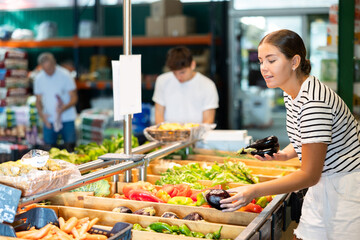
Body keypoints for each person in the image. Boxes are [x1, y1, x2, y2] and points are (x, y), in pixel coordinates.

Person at [220, 29, 360, 240]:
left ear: (294, 62)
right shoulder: (293, 93)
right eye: (260, 61)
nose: (263, 68)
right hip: (324, 183)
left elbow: (309, 175)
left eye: (271, 60)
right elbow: (312, 137)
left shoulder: (314, 102)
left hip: (346, 188)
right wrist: (285, 155)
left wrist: (254, 190)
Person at [152, 46, 219, 124]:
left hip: (197, 134)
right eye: (174, 73)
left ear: (193, 65)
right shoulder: (162, 81)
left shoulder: (208, 85)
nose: (178, 77)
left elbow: (208, 120)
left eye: (182, 72)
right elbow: (159, 114)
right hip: (168, 134)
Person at [34, 52, 78, 152]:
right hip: (49, 118)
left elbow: (74, 98)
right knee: (49, 149)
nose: (48, 72)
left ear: (54, 63)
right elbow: (38, 101)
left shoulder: (65, 75)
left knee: (70, 147)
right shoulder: (39, 78)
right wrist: (43, 117)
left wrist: (64, 108)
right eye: (45, 69)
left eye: (50, 68)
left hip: (67, 118)